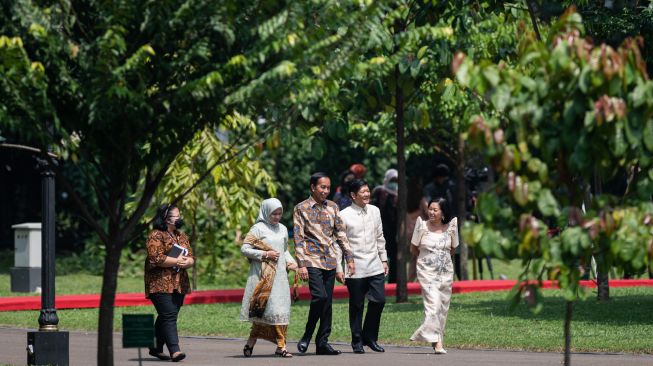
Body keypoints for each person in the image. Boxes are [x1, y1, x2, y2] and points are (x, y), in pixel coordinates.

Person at [294, 172, 356, 355]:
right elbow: (298, 237)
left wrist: (349, 258)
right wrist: (302, 264)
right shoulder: (301, 208)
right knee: (319, 297)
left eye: (328, 187)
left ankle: (322, 343)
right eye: (322, 187)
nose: (325, 191)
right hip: (311, 260)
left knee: (327, 303)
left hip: (329, 260)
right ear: (313, 187)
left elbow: (341, 234)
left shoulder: (333, 207)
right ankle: (307, 335)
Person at [240, 198, 298, 358]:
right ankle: (280, 345)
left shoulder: (283, 229)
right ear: (266, 212)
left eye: (280, 213)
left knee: (280, 310)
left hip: (280, 277)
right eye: (274, 214)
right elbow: (245, 249)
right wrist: (265, 254)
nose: (277, 217)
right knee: (267, 310)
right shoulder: (257, 229)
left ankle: (273, 346)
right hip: (264, 277)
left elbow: (284, 250)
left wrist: (292, 263)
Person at [337, 179, 388, 354]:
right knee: (357, 305)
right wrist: (339, 267)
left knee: (379, 300)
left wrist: (384, 259)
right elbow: (339, 244)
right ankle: (357, 340)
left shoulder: (375, 211)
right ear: (353, 195)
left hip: (375, 264)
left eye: (368, 191)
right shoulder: (343, 215)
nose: (367, 194)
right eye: (363, 192)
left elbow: (380, 236)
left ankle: (370, 337)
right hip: (355, 266)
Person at [145, 203, 195, 362]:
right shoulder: (156, 235)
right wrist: (177, 260)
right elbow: (156, 258)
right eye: (177, 216)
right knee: (169, 315)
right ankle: (175, 351)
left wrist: (188, 262)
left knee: (167, 315)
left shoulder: (182, 236)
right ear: (166, 219)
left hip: (179, 283)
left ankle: (155, 346)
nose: (180, 219)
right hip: (159, 282)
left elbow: (191, 256)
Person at [409, 198, 458, 354]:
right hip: (426, 271)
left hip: (445, 272)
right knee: (433, 305)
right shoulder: (421, 225)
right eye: (430, 209)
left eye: (435, 210)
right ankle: (437, 343)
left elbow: (452, 249)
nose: (431, 212)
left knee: (443, 307)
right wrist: (427, 260)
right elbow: (414, 248)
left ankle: (437, 338)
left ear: (443, 212)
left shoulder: (451, 227)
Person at [371, 168, 398, 283]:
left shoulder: (400, 193)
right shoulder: (379, 191)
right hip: (379, 228)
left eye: (396, 180)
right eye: (392, 180)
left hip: (394, 230)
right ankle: (378, 280)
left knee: (394, 255)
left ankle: (393, 281)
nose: (394, 183)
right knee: (379, 255)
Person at [406, 177, 428, 282]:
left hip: (409, 232)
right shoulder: (422, 200)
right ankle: (420, 281)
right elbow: (429, 213)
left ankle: (410, 281)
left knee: (413, 258)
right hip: (421, 232)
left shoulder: (405, 200)